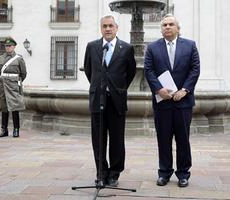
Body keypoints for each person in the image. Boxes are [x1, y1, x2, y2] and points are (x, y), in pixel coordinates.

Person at [144, 14, 200, 187]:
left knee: (183, 139)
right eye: (164, 25)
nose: (167, 27)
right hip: (163, 102)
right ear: (161, 29)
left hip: (183, 102)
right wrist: (158, 89)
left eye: (171, 24)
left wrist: (184, 90)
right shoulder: (152, 48)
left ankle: (183, 174)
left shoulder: (190, 45)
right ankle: (164, 172)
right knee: (164, 139)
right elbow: (148, 70)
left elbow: (195, 69)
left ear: (177, 28)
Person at [84, 15, 136, 187]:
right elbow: (89, 71)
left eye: (111, 26)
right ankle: (101, 172)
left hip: (117, 101)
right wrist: (100, 87)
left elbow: (131, 73)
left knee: (116, 139)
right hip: (97, 99)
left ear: (116, 28)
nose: (107, 29)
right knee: (98, 139)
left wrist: (117, 88)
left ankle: (114, 173)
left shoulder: (127, 48)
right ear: (101, 29)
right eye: (104, 26)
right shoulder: (92, 47)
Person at [0, 37, 27, 138]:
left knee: (14, 108)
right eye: (6, 46)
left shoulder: (19, 58)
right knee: (4, 108)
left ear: (14, 47)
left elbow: (23, 74)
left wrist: (15, 82)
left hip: (13, 85)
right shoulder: (0, 58)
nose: (8, 48)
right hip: (3, 85)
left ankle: (16, 130)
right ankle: (4, 130)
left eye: (10, 46)